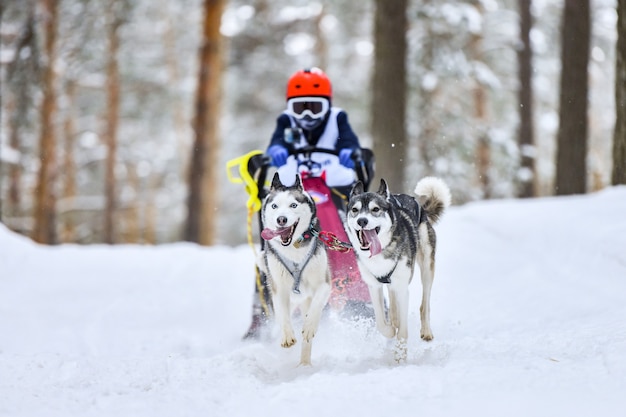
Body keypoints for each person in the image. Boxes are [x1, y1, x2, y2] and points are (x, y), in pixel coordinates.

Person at [244, 67, 369, 339]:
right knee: (273, 248)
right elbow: (277, 143)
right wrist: (276, 152)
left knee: (352, 234)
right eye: (301, 108)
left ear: (328, 105)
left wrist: (349, 152)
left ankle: (360, 299)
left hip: (332, 189)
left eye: (315, 107)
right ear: (291, 107)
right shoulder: (286, 122)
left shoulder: (338, 119)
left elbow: (349, 142)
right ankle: (263, 315)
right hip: (295, 191)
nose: (308, 116)